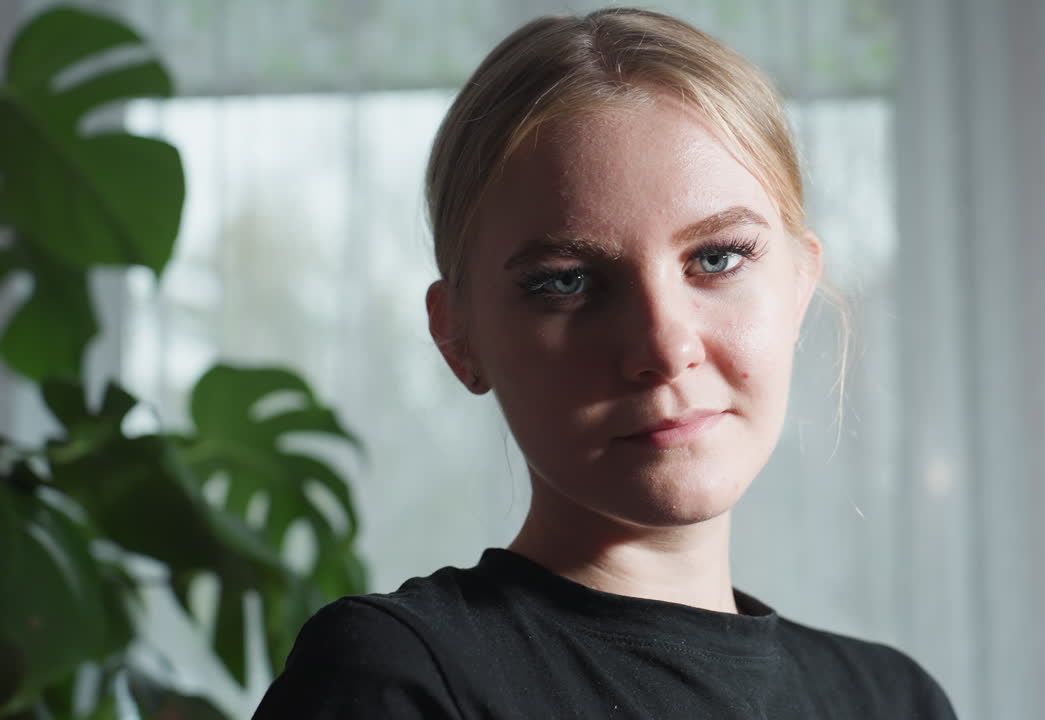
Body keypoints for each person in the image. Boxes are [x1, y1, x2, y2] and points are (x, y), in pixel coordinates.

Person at [253, 7, 956, 719]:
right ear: (458, 336)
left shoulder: (896, 700)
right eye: (566, 281)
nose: (663, 347)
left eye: (717, 259)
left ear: (800, 286)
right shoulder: (395, 678)